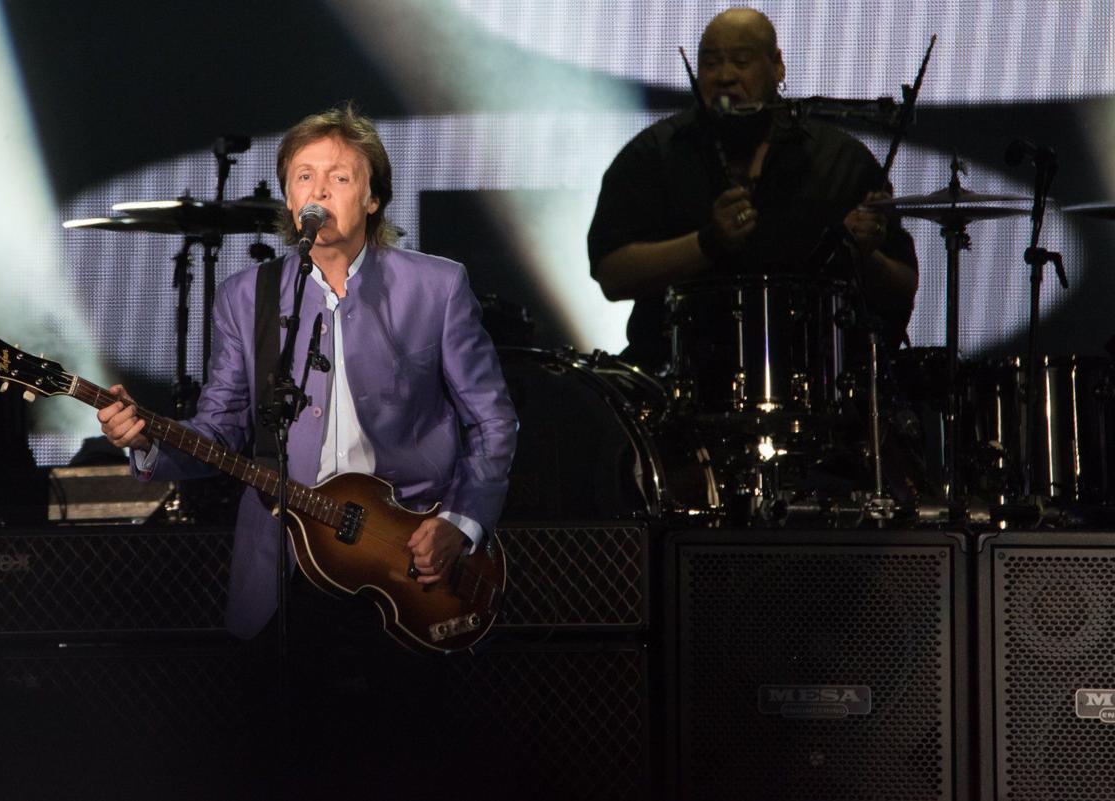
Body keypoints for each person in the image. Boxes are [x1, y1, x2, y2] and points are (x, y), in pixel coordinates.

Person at [96, 104, 518, 795]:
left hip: (407, 558)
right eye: (302, 177)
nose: (318, 191)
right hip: (287, 567)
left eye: (339, 177)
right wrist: (147, 441)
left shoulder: (436, 286)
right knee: (279, 758)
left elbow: (494, 421)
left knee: (407, 759)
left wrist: (460, 524)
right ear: (288, 198)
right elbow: (221, 428)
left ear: (372, 195)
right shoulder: (247, 298)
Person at [588, 6, 919, 371]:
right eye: (711, 63)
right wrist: (707, 243)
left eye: (741, 61)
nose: (725, 77)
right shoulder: (654, 155)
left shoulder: (841, 161)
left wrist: (865, 256)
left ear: (778, 66)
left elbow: (903, 287)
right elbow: (612, 274)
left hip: (816, 387)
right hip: (677, 386)